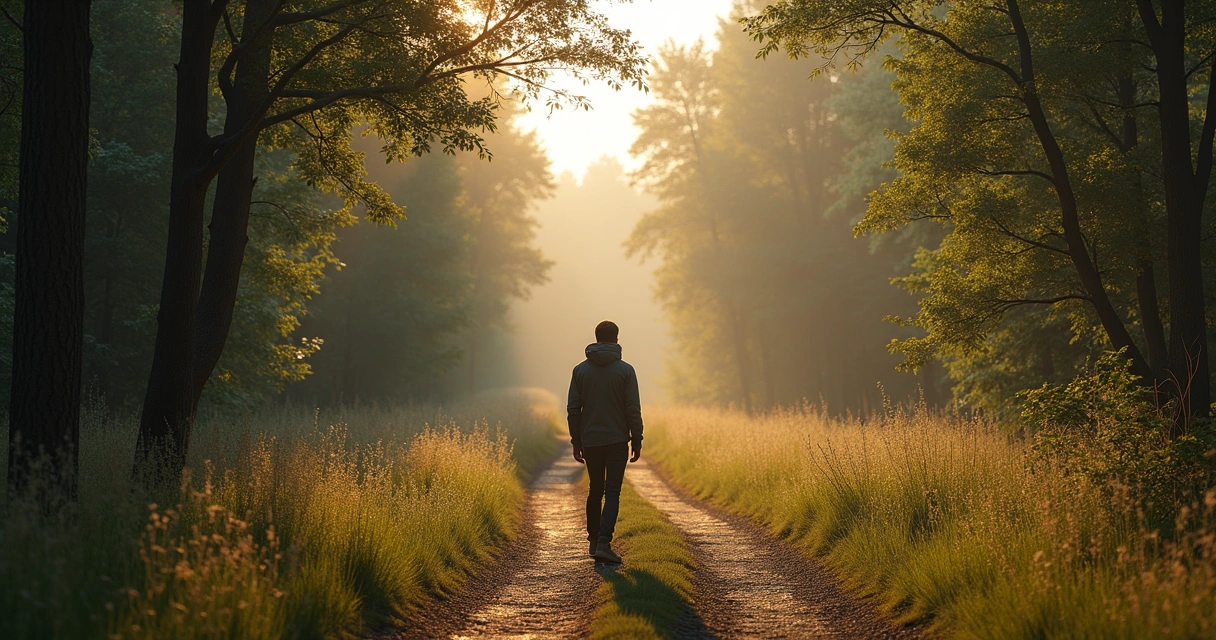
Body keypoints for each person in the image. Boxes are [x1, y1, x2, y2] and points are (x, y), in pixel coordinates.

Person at [567, 320, 644, 564]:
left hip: (590, 440)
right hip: (617, 440)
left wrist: (576, 440)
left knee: (595, 490)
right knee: (612, 492)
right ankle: (604, 543)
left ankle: (593, 541)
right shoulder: (625, 370)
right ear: (617, 340)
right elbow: (633, 408)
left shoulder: (580, 370)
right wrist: (637, 438)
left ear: (596, 338)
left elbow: (573, 409)